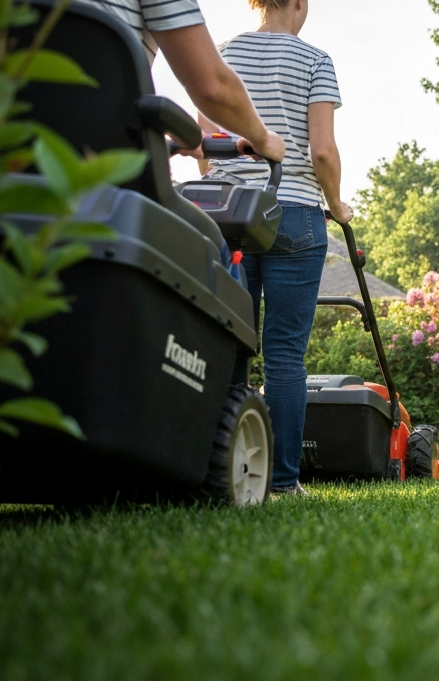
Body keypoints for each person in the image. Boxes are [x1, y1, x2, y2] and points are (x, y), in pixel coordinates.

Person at [202, 0, 352, 497]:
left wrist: (224, 185)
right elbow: (322, 150)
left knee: (233, 346)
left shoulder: (221, 55)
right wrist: (337, 203)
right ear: (299, 3)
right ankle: (283, 482)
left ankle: (226, 475)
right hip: (295, 215)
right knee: (285, 355)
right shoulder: (315, 61)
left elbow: (205, 143)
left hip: (230, 214)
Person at [78, 0, 286, 163]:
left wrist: (181, 135)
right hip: (97, 171)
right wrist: (263, 139)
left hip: (49, 153)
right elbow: (213, 88)